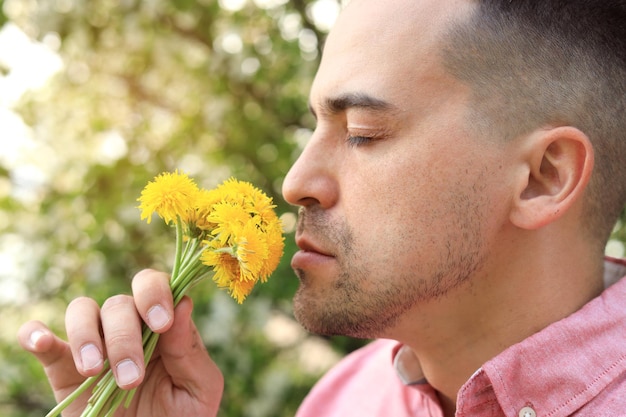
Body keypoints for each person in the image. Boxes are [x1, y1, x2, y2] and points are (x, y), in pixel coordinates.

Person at [17, 0, 626, 416]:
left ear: (544, 177)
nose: (295, 181)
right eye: (315, 124)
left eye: (361, 131)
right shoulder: (344, 398)